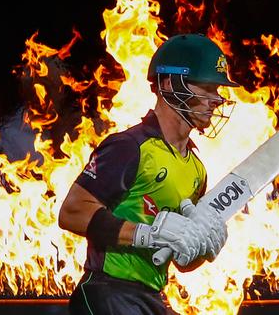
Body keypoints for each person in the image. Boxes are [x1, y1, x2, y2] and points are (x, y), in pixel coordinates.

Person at [58, 33, 239, 315]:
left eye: (218, 91)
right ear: (169, 83)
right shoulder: (129, 147)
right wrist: (147, 234)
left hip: (152, 297)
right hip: (108, 292)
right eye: (207, 88)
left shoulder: (196, 170)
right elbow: (71, 212)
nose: (216, 100)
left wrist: (203, 245)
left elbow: (181, 261)